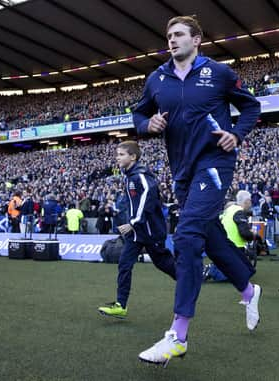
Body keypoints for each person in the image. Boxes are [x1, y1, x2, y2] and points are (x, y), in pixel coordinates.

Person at [133, 15, 262, 365]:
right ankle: (249, 290)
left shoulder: (218, 72)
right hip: (183, 172)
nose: (172, 40)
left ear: (197, 39)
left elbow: (251, 105)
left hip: (215, 163)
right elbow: (138, 114)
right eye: (168, 35)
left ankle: (178, 334)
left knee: (188, 235)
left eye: (178, 35)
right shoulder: (156, 78)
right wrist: (148, 124)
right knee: (208, 234)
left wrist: (236, 133)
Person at [97, 141, 177, 319]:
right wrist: (123, 216)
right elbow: (134, 202)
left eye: (121, 154)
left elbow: (148, 196)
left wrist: (133, 222)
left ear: (133, 157)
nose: (117, 157)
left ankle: (187, 281)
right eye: (117, 154)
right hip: (136, 233)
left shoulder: (140, 176)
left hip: (150, 230)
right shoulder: (129, 176)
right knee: (124, 264)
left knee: (162, 263)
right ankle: (121, 305)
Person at [204, 191, 257, 282]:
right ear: (247, 201)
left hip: (223, 245)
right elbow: (244, 234)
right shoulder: (239, 212)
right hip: (234, 247)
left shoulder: (230, 209)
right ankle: (212, 270)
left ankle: (215, 267)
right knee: (245, 272)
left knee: (247, 271)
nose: (251, 203)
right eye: (250, 201)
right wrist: (253, 234)